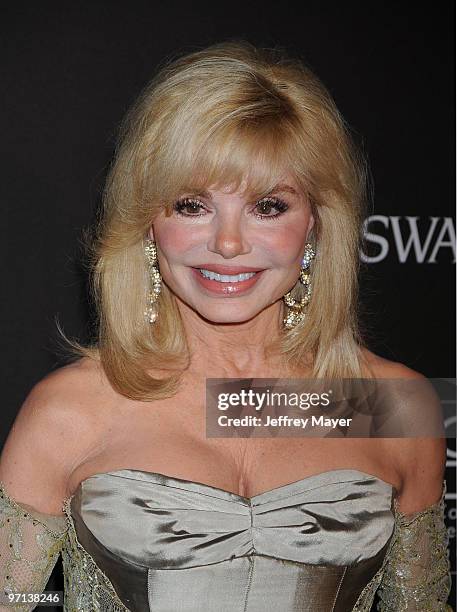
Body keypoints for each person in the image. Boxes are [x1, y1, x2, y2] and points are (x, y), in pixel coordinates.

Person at [0, 40, 452, 611]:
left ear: (315, 223)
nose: (229, 244)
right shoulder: (72, 412)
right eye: (192, 205)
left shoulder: (388, 405)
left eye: (268, 206)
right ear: (146, 223)